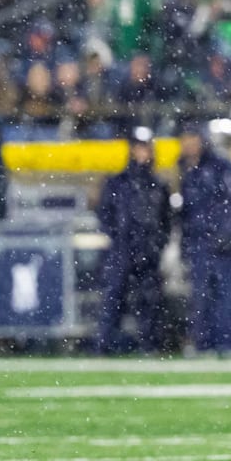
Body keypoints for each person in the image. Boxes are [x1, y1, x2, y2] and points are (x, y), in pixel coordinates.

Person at [94, 127, 172, 354]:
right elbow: (105, 214)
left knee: (148, 301)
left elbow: (165, 220)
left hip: (148, 249)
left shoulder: (158, 184)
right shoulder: (117, 182)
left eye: (145, 148)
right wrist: (119, 237)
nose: (141, 153)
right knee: (113, 298)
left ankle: (149, 344)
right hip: (122, 249)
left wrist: (156, 243)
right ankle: (106, 345)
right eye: (138, 148)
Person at [177, 123, 231, 356]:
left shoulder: (220, 168)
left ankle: (224, 342)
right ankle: (203, 343)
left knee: (223, 295)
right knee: (200, 296)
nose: (189, 144)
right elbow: (186, 213)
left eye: (193, 139)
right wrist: (186, 242)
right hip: (198, 243)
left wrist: (225, 234)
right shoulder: (185, 169)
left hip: (220, 244)